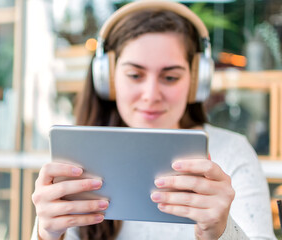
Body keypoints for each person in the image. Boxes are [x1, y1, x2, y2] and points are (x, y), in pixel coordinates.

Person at [31, 1, 277, 239]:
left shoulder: (232, 154)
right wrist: (47, 235)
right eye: (135, 75)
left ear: (195, 82)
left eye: (170, 77)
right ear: (108, 78)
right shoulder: (80, 158)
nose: (151, 95)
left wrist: (222, 232)